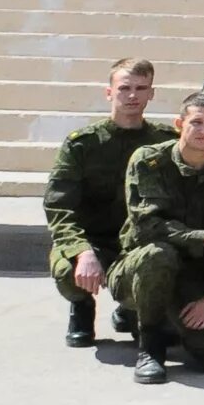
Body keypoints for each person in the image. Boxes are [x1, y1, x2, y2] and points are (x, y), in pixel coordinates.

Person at [114, 91, 204, 384]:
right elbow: (148, 224)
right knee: (158, 254)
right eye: (196, 122)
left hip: (196, 273)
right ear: (179, 123)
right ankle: (150, 345)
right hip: (142, 265)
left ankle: (169, 315)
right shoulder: (149, 161)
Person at [43, 57, 170, 349]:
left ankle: (133, 308)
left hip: (141, 243)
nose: (133, 96)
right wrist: (81, 250)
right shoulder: (83, 144)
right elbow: (58, 205)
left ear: (151, 93)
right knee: (66, 268)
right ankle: (82, 307)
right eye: (124, 88)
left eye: (141, 88)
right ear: (109, 92)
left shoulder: (164, 143)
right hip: (96, 241)